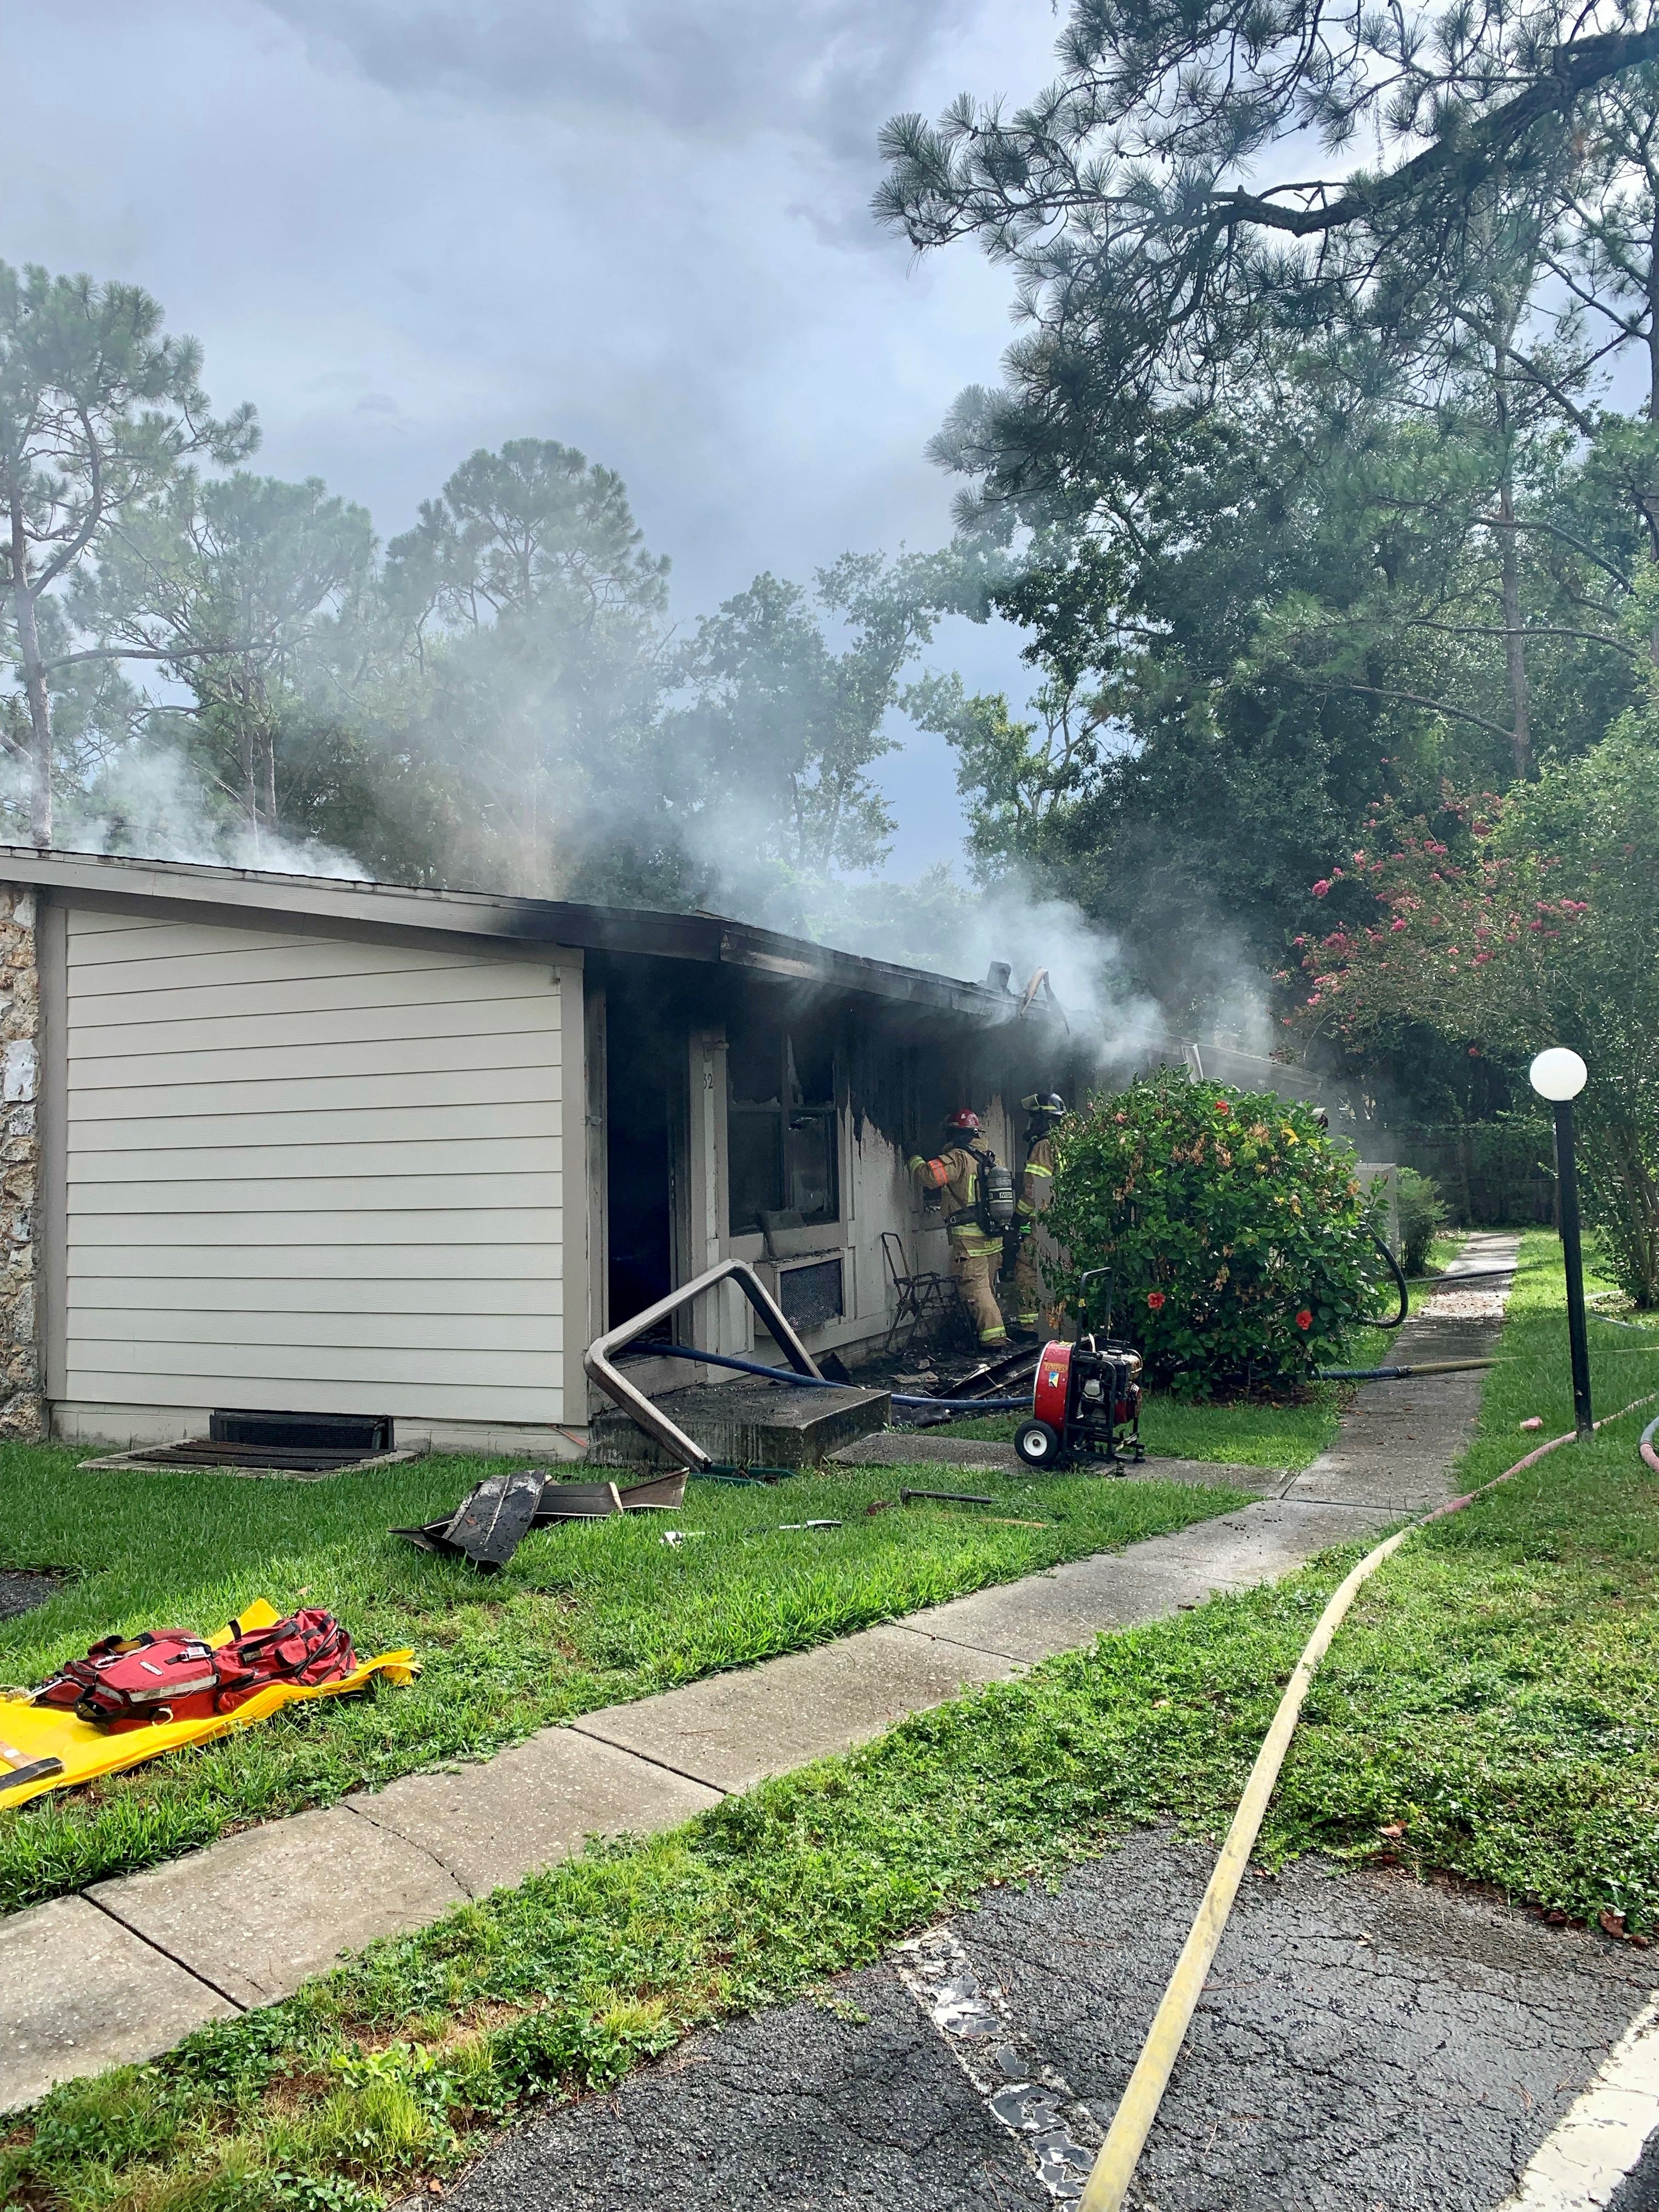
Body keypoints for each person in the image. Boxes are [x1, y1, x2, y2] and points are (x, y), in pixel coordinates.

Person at [906, 1109, 1008, 1349]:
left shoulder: (959, 1158)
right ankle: (991, 1335)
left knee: (977, 1290)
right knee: (989, 1289)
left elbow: (930, 1176)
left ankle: (994, 1340)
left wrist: (914, 1159)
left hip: (970, 1241)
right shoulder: (993, 1159)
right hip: (994, 1238)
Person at [1012, 1091, 1065, 1336]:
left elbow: (1034, 1189)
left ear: (1044, 1121)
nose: (1031, 1125)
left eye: (1034, 1119)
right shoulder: (1068, 1142)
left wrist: (1018, 1217)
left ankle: (1031, 1329)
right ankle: (1057, 1327)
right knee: (1058, 1277)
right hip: (1066, 1224)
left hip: (1044, 1224)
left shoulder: (1044, 1146)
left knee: (1027, 1271)